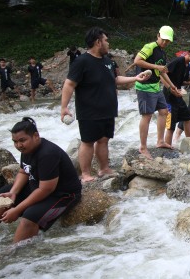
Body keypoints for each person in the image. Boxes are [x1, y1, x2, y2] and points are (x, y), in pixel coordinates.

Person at [61, 27, 151, 183]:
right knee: (88, 141)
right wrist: (64, 107)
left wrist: (136, 78)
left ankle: (104, 169)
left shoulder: (107, 61)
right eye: (106, 40)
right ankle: (86, 174)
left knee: (104, 140)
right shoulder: (81, 61)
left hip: (108, 109)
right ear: (98, 42)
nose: (108, 43)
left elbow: (115, 80)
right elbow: (69, 84)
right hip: (89, 110)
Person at [0, 117, 82, 243]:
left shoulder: (48, 154)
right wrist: (14, 192)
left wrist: (17, 210)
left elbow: (46, 189)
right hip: (38, 186)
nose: (18, 145)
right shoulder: (27, 149)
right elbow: (24, 171)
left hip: (62, 194)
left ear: (36, 136)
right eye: (15, 142)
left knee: (29, 217)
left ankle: (13, 252)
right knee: (1, 199)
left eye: (22, 140)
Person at [133, 25, 180, 159]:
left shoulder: (162, 52)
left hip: (155, 87)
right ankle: (143, 147)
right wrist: (155, 66)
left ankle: (160, 141)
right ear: (158, 35)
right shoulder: (150, 47)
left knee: (164, 111)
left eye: (168, 41)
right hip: (145, 87)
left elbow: (161, 72)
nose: (165, 42)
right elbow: (137, 61)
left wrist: (172, 86)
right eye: (163, 39)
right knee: (147, 116)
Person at [163, 45, 190, 146]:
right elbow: (161, 74)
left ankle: (189, 143)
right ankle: (168, 147)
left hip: (178, 95)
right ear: (189, 54)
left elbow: (183, 82)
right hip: (169, 96)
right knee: (171, 124)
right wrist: (169, 88)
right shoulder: (178, 61)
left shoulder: (188, 66)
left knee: (187, 117)